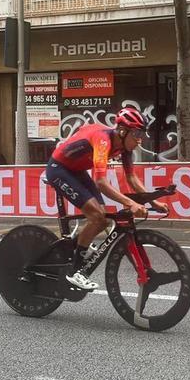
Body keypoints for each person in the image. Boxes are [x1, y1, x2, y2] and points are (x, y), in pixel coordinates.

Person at [46, 107, 167, 290]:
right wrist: (130, 203)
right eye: (136, 133)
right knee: (97, 217)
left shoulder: (125, 148)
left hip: (76, 171)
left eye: (142, 133)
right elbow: (101, 182)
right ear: (122, 131)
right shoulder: (103, 140)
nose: (139, 139)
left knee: (101, 220)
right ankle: (75, 272)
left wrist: (154, 202)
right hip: (59, 169)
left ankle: (77, 246)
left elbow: (132, 179)